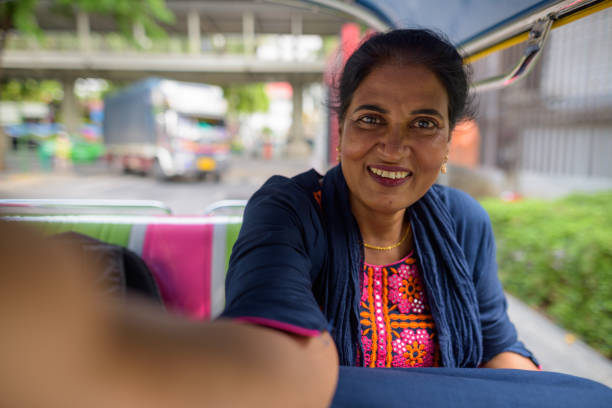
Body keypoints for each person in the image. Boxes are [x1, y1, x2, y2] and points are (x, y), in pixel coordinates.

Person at [221, 29, 538, 370]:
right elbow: (268, 339)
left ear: (447, 143)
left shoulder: (463, 222)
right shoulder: (289, 212)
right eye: (371, 119)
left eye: (423, 123)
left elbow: (498, 345)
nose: (393, 148)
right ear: (342, 131)